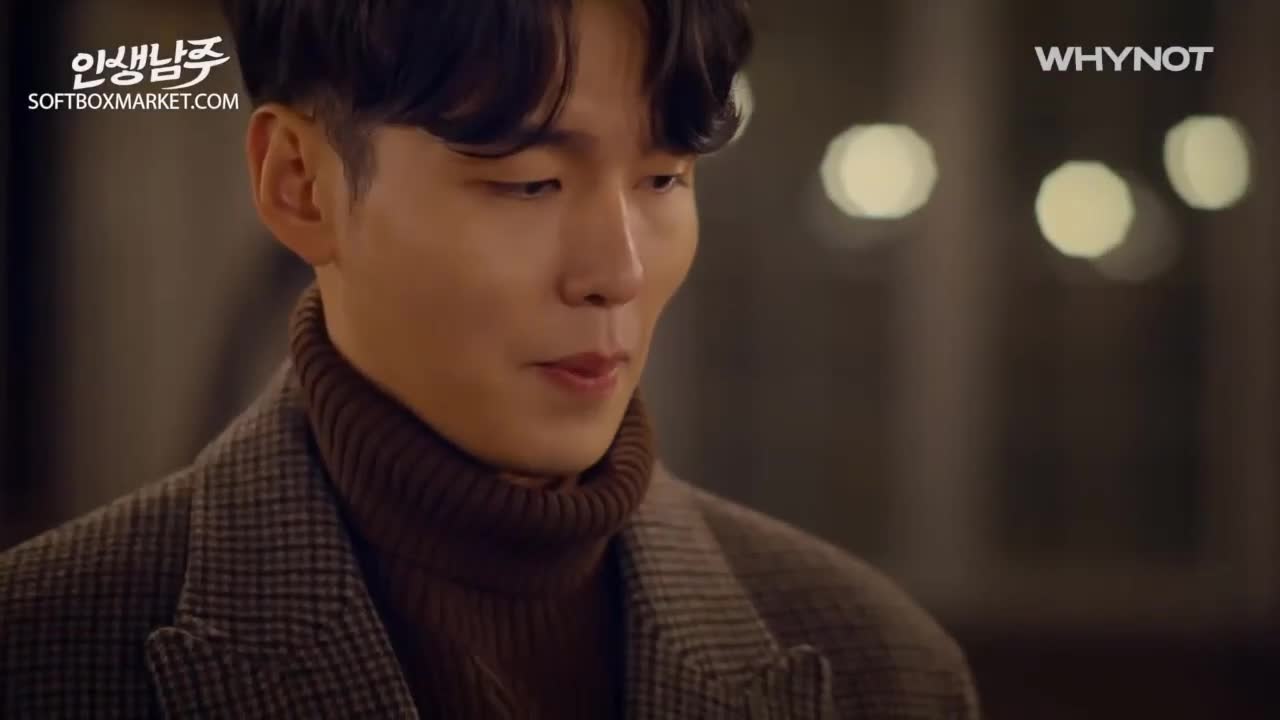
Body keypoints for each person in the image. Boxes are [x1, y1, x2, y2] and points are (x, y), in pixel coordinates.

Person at [0, 1, 979, 717]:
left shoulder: (879, 668)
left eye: (664, 178)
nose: (617, 272)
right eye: (529, 183)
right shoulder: (42, 651)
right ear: (301, 183)